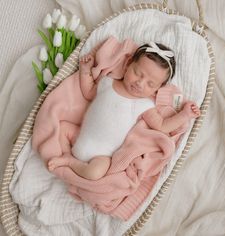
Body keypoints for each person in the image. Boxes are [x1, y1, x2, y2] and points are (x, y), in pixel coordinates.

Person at [48, 41, 200, 180]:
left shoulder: (144, 105)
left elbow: (162, 125)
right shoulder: (107, 82)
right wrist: (85, 70)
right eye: (138, 73)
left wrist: (185, 114)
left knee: (95, 174)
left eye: (150, 84)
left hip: (101, 155)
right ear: (128, 65)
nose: (140, 83)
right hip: (79, 136)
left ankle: (69, 162)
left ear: (158, 89)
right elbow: (88, 92)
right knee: (61, 128)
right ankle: (67, 154)